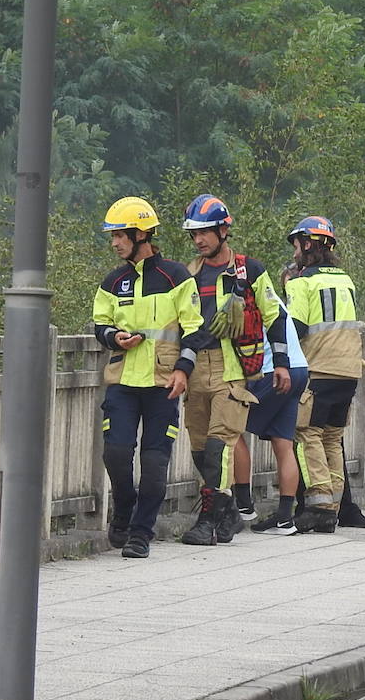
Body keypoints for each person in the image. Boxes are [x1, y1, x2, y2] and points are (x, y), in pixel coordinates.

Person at [177, 194, 292, 546]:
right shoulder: (188, 274)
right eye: (194, 234)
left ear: (223, 230)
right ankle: (227, 510)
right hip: (196, 367)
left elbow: (274, 316)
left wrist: (283, 363)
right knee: (199, 446)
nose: (199, 240)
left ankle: (208, 519)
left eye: (206, 232)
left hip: (232, 369)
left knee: (219, 445)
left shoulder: (249, 271)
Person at [92, 197, 203, 559]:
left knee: (155, 465)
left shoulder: (176, 277)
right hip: (123, 381)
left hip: (163, 384)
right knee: (116, 453)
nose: (114, 243)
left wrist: (183, 371)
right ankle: (124, 507)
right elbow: (100, 323)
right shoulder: (113, 280)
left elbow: (194, 329)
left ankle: (141, 532)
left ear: (141, 235)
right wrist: (114, 337)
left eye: (119, 236)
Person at [283, 216, 362, 533]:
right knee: (332, 438)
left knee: (308, 436)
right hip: (349, 371)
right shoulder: (345, 280)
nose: (294, 254)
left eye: (296, 246)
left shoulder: (301, 283)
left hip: (318, 371)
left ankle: (320, 507)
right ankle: (334, 507)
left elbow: (296, 329)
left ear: (305, 244)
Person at [242, 278, 312, 536]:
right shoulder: (275, 301)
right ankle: (285, 518)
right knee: (283, 443)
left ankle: (240, 504)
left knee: (229, 426)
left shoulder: (248, 304)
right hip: (299, 370)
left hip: (275, 372)